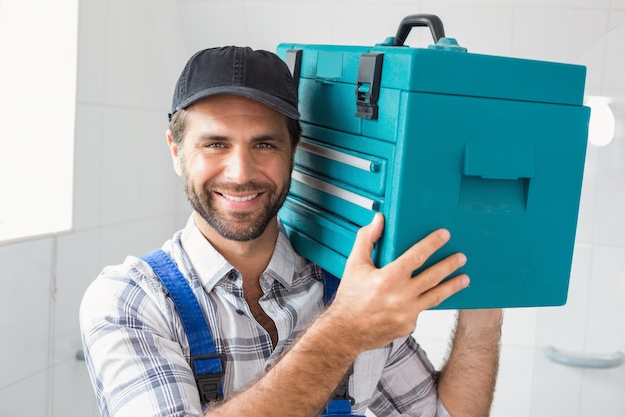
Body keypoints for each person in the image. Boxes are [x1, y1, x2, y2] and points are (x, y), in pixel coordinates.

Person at [80, 46, 502, 417]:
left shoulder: (347, 285)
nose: (241, 173)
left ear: (293, 153)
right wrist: (345, 332)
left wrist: (487, 300)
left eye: (265, 145)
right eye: (215, 144)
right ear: (176, 151)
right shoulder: (131, 301)